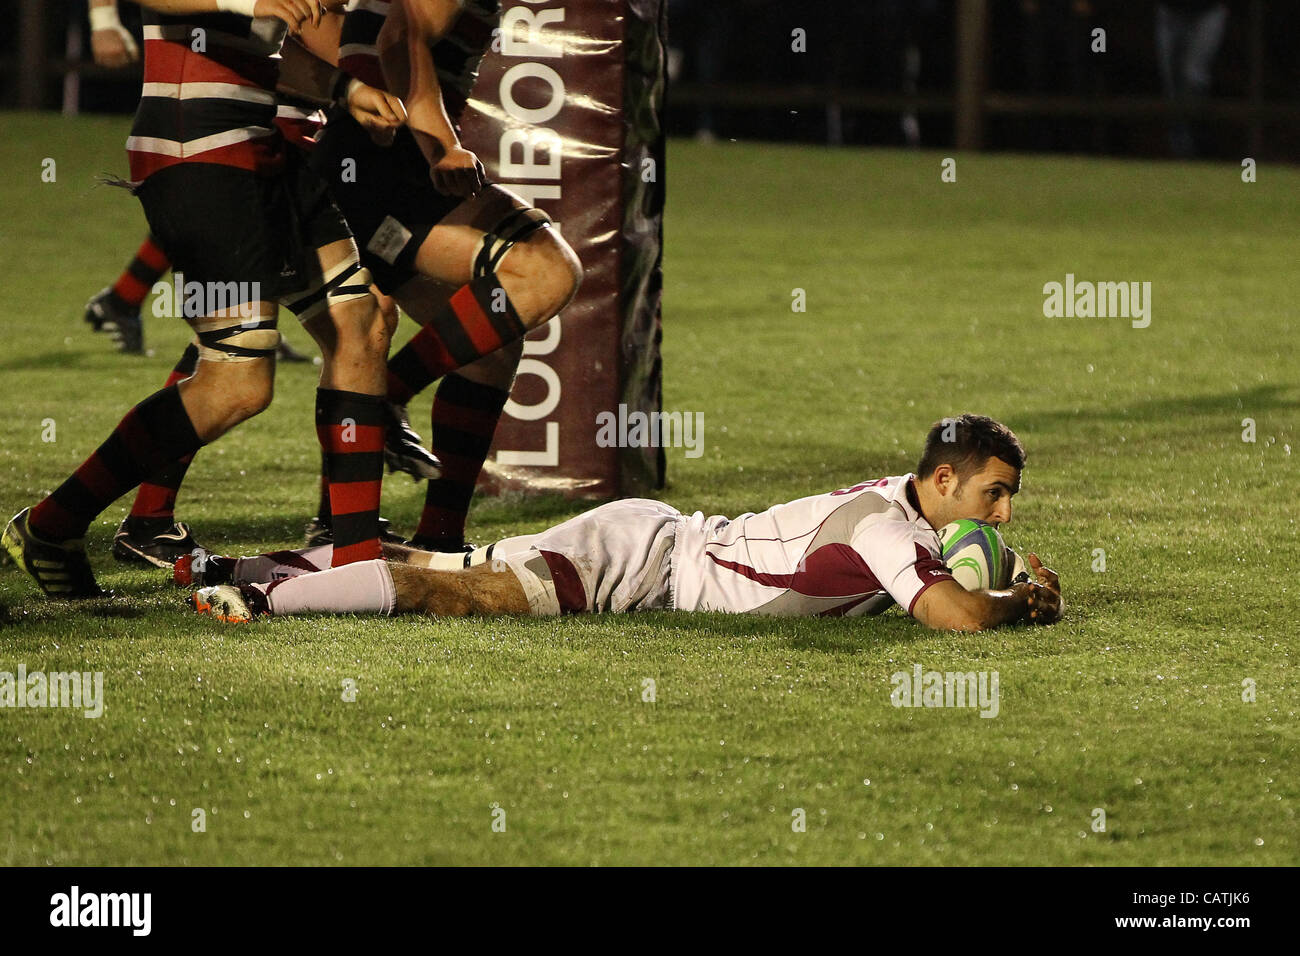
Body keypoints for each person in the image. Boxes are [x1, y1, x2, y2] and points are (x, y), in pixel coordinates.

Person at [3, 0, 408, 598]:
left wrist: (345, 89)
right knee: (236, 385)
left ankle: (354, 559)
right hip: (200, 155)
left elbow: (267, 57)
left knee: (364, 321)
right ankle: (52, 524)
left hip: (265, 149)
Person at [186, 415, 1065, 631]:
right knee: (456, 593)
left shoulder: (914, 513)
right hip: (644, 565)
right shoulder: (884, 526)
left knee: (440, 556)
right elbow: (954, 617)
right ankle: (266, 606)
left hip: (653, 538)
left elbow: (964, 579)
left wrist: (1016, 579)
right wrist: (1020, 604)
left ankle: (240, 568)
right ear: (942, 480)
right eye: (994, 493)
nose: (1005, 511)